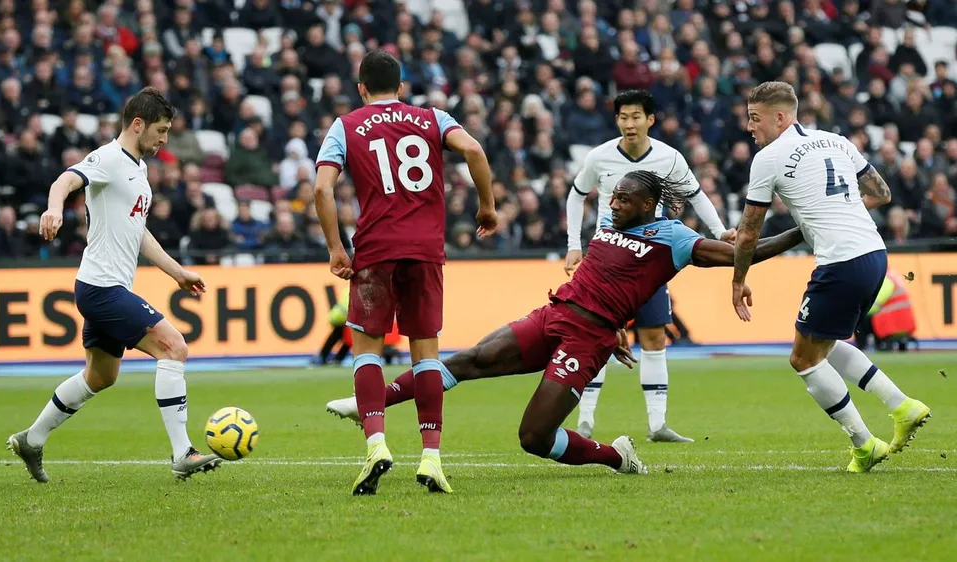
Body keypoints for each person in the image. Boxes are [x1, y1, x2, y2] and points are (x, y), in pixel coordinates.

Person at [328, 171, 805, 475]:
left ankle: (616, 456)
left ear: (647, 205)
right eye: (613, 197)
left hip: (587, 337)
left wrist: (802, 229)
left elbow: (748, 250)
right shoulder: (611, 225)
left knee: (533, 438)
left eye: (624, 199)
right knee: (468, 359)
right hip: (554, 313)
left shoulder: (676, 238)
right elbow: (608, 278)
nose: (614, 204)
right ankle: (371, 403)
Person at [6, 88, 222, 483]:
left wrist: (177, 272)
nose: (164, 139)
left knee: (100, 376)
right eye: (160, 130)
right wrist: (54, 209)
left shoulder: (138, 170)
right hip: (102, 289)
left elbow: (139, 233)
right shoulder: (108, 158)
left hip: (103, 286)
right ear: (138, 124)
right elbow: (64, 180)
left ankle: (31, 439)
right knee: (173, 346)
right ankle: (182, 452)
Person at [313, 50, 498, 495]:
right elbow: (473, 149)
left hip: (375, 249)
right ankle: (431, 457)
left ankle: (376, 445)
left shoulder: (345, 126)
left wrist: (336, 248)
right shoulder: (433, 118)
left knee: (367, 351)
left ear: (361, 88)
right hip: (425, 249)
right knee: (426, 354)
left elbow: (321, 188)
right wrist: (487, 206)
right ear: (401, 87)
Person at [732, 81, 931, 473]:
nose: (749, 127)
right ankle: (902, 406)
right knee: (824, 343)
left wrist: (738, 280)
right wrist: (828, 214)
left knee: (802, 358)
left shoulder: (768, 158)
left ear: (780, 117)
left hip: (840, 262)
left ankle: (864, 444)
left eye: (755, 118)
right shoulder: (836, 141)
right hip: (874, 255)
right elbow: (881, 193)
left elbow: (749, 232)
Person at [565, 90, 736, 443]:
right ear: (617, 120)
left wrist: (720, 232)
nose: (629, 124)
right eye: (623, 117)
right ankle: (585, 422)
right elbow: (576, 194)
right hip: (606, 262)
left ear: (650, 120)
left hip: (649, 259)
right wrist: (573, 245)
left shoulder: (668, 157)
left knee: (655, 336)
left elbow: (695, 195)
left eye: (636, 117)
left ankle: (657, 425)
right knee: (597, 336)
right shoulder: (599, 157)